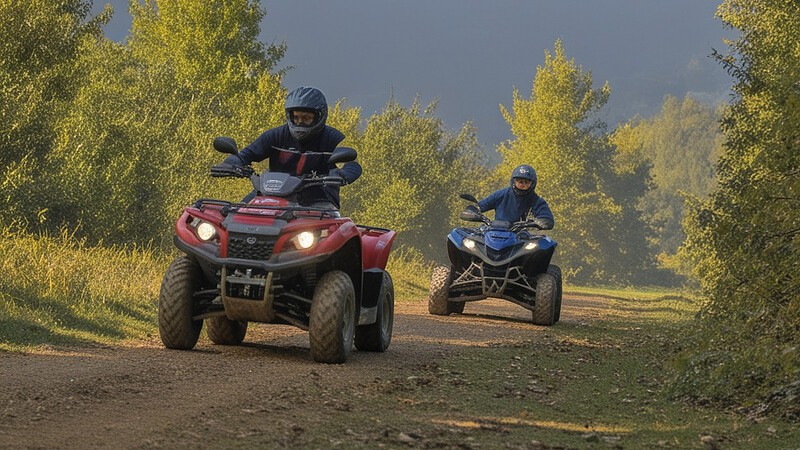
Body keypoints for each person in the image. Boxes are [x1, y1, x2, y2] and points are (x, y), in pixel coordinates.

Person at [212, 86, 362, 209]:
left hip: (318, 199)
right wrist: (230, 164)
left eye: (306, 118)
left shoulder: (334, 138)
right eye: (295, 117)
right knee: (235, 214)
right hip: (270, 194)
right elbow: (246, 155)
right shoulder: (275, 135)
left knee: (325, 231)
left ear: (320, 116)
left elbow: (352, 164)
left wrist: (342, 175)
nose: (299, 123)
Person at [474, 164, 554, 229]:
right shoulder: (500, 195)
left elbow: (546, 218)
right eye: (520, 182)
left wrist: (541, 221)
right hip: (495, 233)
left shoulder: (536, 200)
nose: (523, 185)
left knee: (544, 244)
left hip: (521, 237)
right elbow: (480, 207)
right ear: (513, 181)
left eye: (526, 182)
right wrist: (472, 211)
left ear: (532, 184)